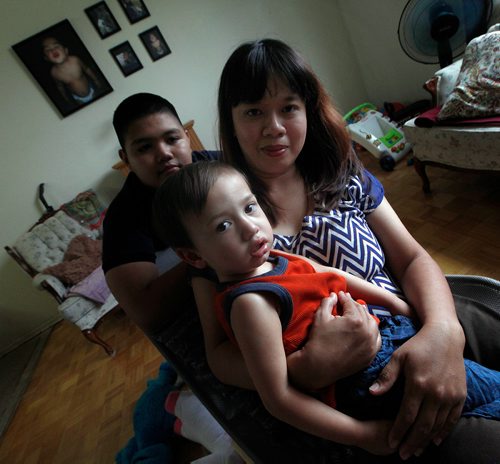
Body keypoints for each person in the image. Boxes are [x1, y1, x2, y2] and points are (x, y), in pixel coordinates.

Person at [196, 38, 500, 462]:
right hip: (361, 381)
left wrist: (443, 330)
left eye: (288, 107)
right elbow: (218, 354)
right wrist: (305, 368)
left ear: (307, 108)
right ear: (231, 120)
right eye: (253, 112)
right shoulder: (220, 222)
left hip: (413, 313)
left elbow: (411, 257)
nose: (274, 127)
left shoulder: (340, 173)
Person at [153, 160, 500, 456]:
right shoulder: (250, 304)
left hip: (390, 332)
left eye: (249, 207)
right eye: (223, 226)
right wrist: (362, 436)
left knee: (482, 396)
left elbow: (332, 274)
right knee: (484, 397)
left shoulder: (274, 258)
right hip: (371, 377)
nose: (250, 228)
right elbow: (279, 398)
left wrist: (395, 303)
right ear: (193, 256)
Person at [42, 37, 101, 105]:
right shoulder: (54, 72)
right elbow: (59, 86)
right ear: (47, 58)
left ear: (66, 51)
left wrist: (96, 80)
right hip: (78, 98)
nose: (53, 50)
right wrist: (65, 97)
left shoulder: (75, 60)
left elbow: (87, 69)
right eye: (48, 50)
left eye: (56, 46)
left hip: (91, 90)